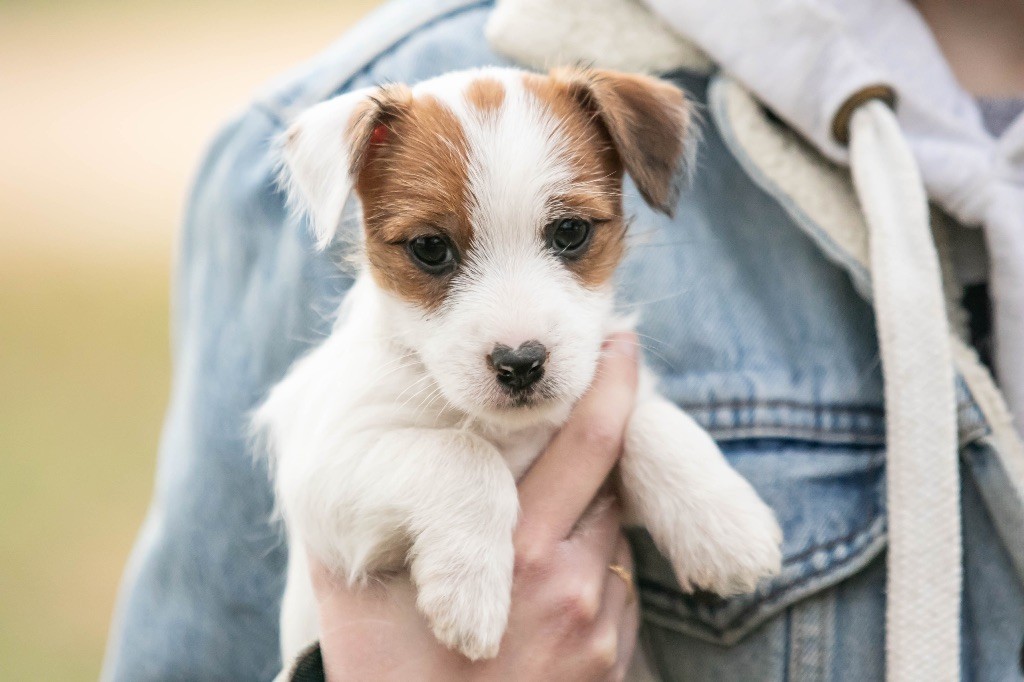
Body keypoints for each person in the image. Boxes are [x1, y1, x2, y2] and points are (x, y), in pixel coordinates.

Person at [102, 0, 1024, 679]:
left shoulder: (621, 142)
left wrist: (665, 454)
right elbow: (318, 485)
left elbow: (617, 415)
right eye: (433, 251)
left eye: (569, 236)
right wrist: (460, 496)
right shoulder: (341, 140)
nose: (518, 336)